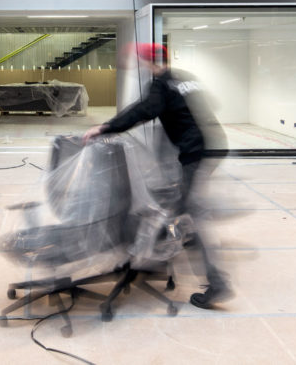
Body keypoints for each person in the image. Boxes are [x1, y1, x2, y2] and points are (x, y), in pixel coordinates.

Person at [83, 42, 232, 309]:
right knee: (179, 206)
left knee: (192, 216)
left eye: (141, 62)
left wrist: (106, 127)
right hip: (212, 146)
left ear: (149, 62)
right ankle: (154, 254)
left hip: (195, 153)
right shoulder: (183, 78)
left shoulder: (160, 84)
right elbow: (208, 105)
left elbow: (145, 110)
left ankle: (217, 283)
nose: (140, 67)